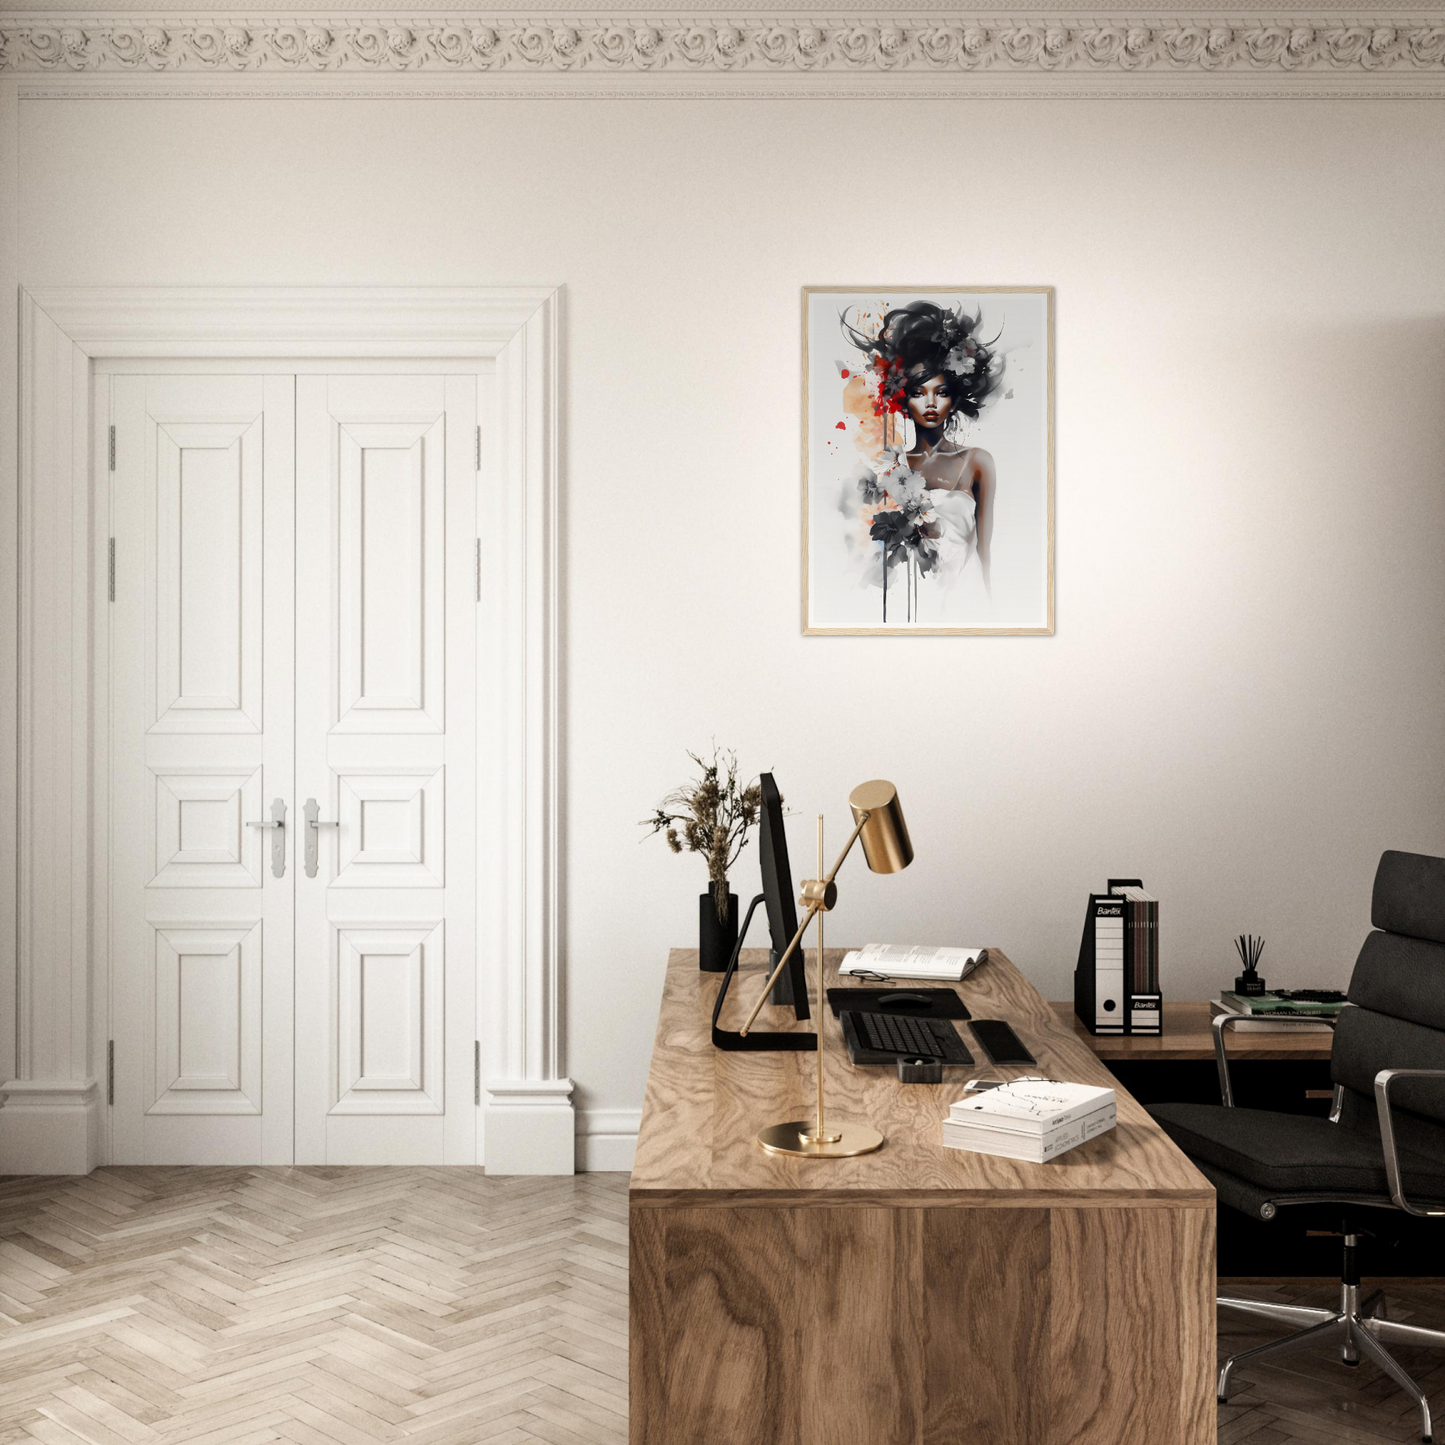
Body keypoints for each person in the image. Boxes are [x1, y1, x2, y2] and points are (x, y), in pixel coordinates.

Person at [840, 301, 1002, 596]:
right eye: (918, 392)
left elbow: (985, 552)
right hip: (908, 598)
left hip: (963, 595)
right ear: (903, 400)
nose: (930, 403)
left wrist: (991, 604)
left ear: (953, 401)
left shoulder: (978, 462)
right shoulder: (891, 464)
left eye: (941, 393)